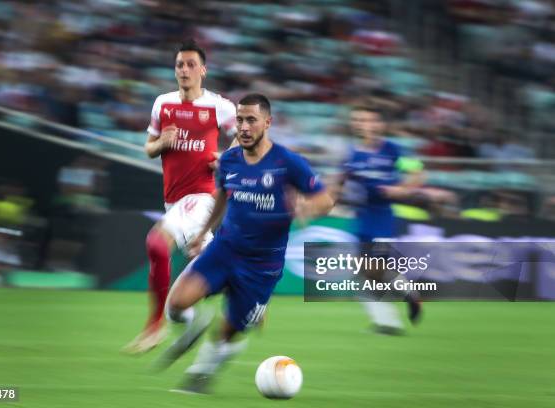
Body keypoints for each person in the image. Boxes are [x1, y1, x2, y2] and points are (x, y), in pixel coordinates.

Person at [158, 94, 334, 393]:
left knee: (228, 331)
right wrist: (202, 234)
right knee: (174, 305)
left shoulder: (288, 162)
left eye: (251, 120)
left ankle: (202, 375)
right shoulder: (228, 160)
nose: (244, 126)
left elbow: (325, 200)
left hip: (261, 266)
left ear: (267, 122)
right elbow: (222, 199)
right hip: (224, 250)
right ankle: (193, 326)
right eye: (239, 120)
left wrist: (306, 208)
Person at [123, 39, 237, 354]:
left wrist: (225, 157)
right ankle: (193, 318)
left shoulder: (219, 106)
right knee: (208, 269)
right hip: (174, 202)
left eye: (190, 64)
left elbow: (250, 139)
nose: (184, 70)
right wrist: (162, 143)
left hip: (201, 197)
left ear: (203, 70)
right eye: (179, 65)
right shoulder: (163, 103)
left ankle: (153, 329)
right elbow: (149, 148)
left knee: (157, 243)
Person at [340, 105, 423, 335]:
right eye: (357, 119)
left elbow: (418, 172)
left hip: (382, 218)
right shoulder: (351, 153)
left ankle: (407, 297)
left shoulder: (392, 150)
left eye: (367, 120)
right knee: (362, 274)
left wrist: (402, 190)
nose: (361, 124)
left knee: (374, 269)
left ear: (379, 125)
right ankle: (390, 320)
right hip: (361, 218)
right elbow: (341, 182)